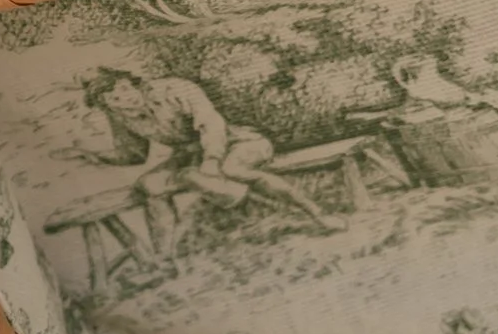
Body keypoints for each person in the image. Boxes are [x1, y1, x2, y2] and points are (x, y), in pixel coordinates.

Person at [78, 65, 330, 254]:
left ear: (129, 81)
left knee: (232, 169)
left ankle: (316, 213)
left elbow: (211, 123)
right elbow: (134, 154)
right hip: (192, 155)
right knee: (150, 184)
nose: (126, 98)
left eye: (124, 88)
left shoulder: (173, 88)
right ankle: (166, 255)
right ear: (106, 105)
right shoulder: (121, 116)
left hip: (236, 141)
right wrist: (93, 155)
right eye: (115, 98)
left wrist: (211, 159)